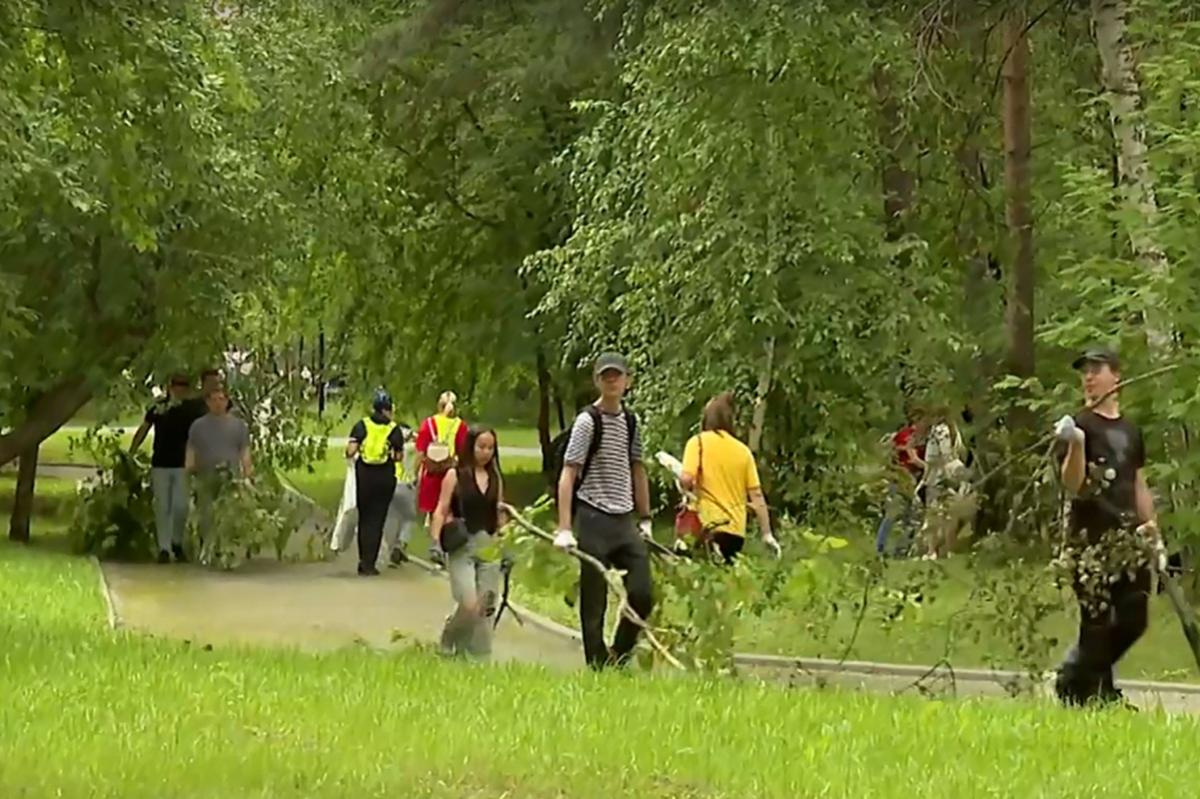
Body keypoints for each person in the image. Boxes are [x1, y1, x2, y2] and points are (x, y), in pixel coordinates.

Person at [1053, 346, 1163, 707]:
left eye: (1096, 369)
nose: (1088, 377)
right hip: (1090, 542)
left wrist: (1153, 529)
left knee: (1134, 619)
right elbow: (1073, 484)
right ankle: (1098, 695)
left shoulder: (1131, 430)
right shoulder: (1079, 425)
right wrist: (1076, 444)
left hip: (1127, 542)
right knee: (1096, 623)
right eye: (1084, 371)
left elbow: (1137, 482)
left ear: (1116, 375)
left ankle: (1075, 676)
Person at [553, 352, 654, 669]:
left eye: (617, 375)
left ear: (628, 381)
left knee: (643, 592)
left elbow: (637, 469)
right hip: (593, 515)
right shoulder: (588, 421)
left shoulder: (632, 422)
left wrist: (646, 518)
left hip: (623, 520)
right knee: (594, 598)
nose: (612, 381)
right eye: (605, 376)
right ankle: (596, 664)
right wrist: (565, 528)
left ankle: (619, 653)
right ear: (597, 381)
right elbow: (569, 473)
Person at [430, 425, 507, 658]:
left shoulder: (495, 478)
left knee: (485, 606)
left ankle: (478, 655)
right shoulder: (455, 475)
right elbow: (441, 509)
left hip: (489, 547)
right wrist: (435, 541)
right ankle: (449, 637)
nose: (486, 452)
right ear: (471, 446)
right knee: (468, 604)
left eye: (490, 448)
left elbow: (500, 513)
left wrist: (507, 544)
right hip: (462, 546)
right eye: (481, 447)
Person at [678, 392, 780, 563]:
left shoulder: (698, 443)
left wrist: (680, 479)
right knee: (726, 572)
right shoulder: (743, 452)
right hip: (735, 532)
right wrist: (767, 534)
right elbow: (757, 496)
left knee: (700, 571)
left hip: (705, 526)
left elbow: (687, 479)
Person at [130, 372, 204, 564]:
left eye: (183, 385)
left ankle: (176, 542)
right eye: (176, 385)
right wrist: (132, 451)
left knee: (181, 506)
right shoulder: (158, 407)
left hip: (183, 464)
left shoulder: (191, 409)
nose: (179, 389)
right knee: (162, 506)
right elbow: (144, 428)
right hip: (160, 462)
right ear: (169, 386)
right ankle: (163, 548)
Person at [185, 384, 252, 560]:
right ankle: (208, 548)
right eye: (213, 400)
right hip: (206, 475)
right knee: (206, 512)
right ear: (207, 402)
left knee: (228, 512)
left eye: (221, 399)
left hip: (231, 476)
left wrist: (247, 473)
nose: (217, 403)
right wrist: (190, 468)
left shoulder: (238, 426)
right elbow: (191, 449)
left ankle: (225, 548)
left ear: (227, 401)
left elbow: (244, 451)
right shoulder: (198, 426)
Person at [345, 390, 407, 576]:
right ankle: (370, 563)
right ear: (388, 409)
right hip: (384, 477)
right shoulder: (394, 430)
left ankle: (362, 560)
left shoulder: (361, 425)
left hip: (364, 476)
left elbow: (350, 451)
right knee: (377, 519)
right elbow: (398, 456)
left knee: (364, 518)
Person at [415, 390, 468, 562]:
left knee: (434, 510)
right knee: (448, 509)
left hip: (431, 473)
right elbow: (463, 452)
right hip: (450, 472)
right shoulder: (460, 426)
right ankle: (446, 544)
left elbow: (420, 452)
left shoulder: (429, 423)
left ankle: (436, 543)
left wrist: (416, 472)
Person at [918, 406, 970, 560]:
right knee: (951, 514)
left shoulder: (937, 431)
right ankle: (948, 549)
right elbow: (961, 452)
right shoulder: (954, 431)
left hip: (939, 475)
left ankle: (931, 550)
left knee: (933, 513)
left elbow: (932, 459)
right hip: (956, 470)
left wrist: (923, 481)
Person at [874, 410, 927, 557]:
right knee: (894, 513)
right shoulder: (907, 435)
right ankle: (881, 547)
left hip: (914, 477)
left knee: (910, 516)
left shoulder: (923, 436)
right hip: (902, 477)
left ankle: (901, 549)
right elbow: (907, 454)